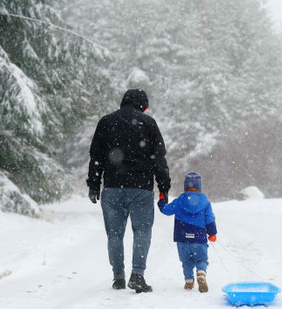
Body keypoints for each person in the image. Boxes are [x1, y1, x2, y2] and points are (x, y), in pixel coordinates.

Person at [87, 89, 171, 293]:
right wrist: (163, 187)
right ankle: (137, 275)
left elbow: (96, 156)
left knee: (114, 234)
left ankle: (118, 277)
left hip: (113, 187)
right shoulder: (148, 123)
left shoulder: (106, 122)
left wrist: (94, 184)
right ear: (142, 105)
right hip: (140, 189)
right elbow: (159, 159)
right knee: (142, 231)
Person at [157, 172, 217, 292]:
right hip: (199, 237)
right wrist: (212, 233)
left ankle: (189, 281)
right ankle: (201, 274)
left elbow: (166, 210)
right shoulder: (205, 202)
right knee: (201, 259)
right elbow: (210, 218)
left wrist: (161, 201)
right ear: (199, 186)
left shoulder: (180, 200)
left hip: (182, 237)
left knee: (186, 261)